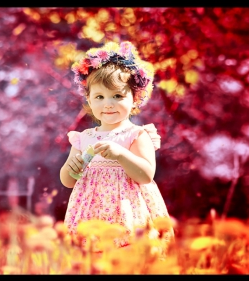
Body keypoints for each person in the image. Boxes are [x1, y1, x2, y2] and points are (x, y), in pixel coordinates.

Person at [59, 41, 174, 252]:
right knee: (91, 257)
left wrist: (121, 155)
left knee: (127, 254)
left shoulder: (137, 135)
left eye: (118, 96)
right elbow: (67, 181)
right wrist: (72, 168)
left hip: (128, 211)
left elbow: (146, 175)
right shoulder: (84, 138)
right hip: (90, 213)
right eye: (100, 97)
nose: (108, 104)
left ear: (135, 98)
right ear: (89, 100)